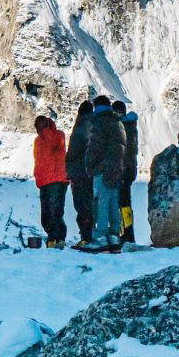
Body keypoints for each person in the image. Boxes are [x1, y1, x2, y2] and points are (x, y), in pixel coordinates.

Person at [81, 95, 126, 253]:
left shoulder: (100, 122)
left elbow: (95, 146)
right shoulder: (117, 122)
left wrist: (90, 164)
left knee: (100, 201)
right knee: (113, 202)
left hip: (102, 169)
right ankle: (114, 237)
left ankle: (99, 237)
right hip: (115, 169)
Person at [32, 114, 69, 247]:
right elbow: (38, 160)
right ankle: (52, 238)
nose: (38, 126)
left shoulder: (58, 135)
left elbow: (54, 145)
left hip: (58, 179)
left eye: (41, 123)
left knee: (55, 211)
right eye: (37, 124)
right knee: (46, 214)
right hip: (44, 181)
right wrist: (37, 176)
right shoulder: (37, 141)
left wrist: (46, 130)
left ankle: (59, 239)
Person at [65, 99, 95, 247]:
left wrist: (68, 170)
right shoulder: (94, 124)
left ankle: (86, 237)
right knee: (90, 205)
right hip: (90, 173)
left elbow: (74, 152)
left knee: (82, 206)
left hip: (79, 174)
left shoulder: (81, 125)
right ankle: (91, 235)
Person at [112, 100, 139, 243]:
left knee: (121, 203)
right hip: (128, 169)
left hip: (121, 169)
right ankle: (128, 234)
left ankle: (125, 235)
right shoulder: (131, 125)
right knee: (125, 203)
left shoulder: (122, 126)